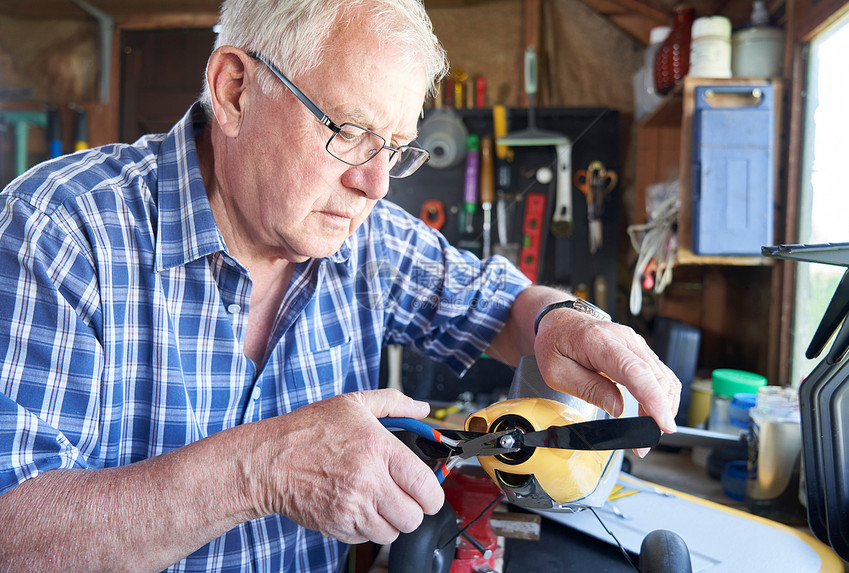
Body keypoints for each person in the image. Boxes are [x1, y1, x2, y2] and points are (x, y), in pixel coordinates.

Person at [0, 0, 680, 571]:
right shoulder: (61, 231)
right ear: (235, 89)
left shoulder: (365, 237)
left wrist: (563, 322)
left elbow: (503, 307)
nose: (376, 184)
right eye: (351, 132)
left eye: (396, 147)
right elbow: (11, 532)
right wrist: (263, 467)